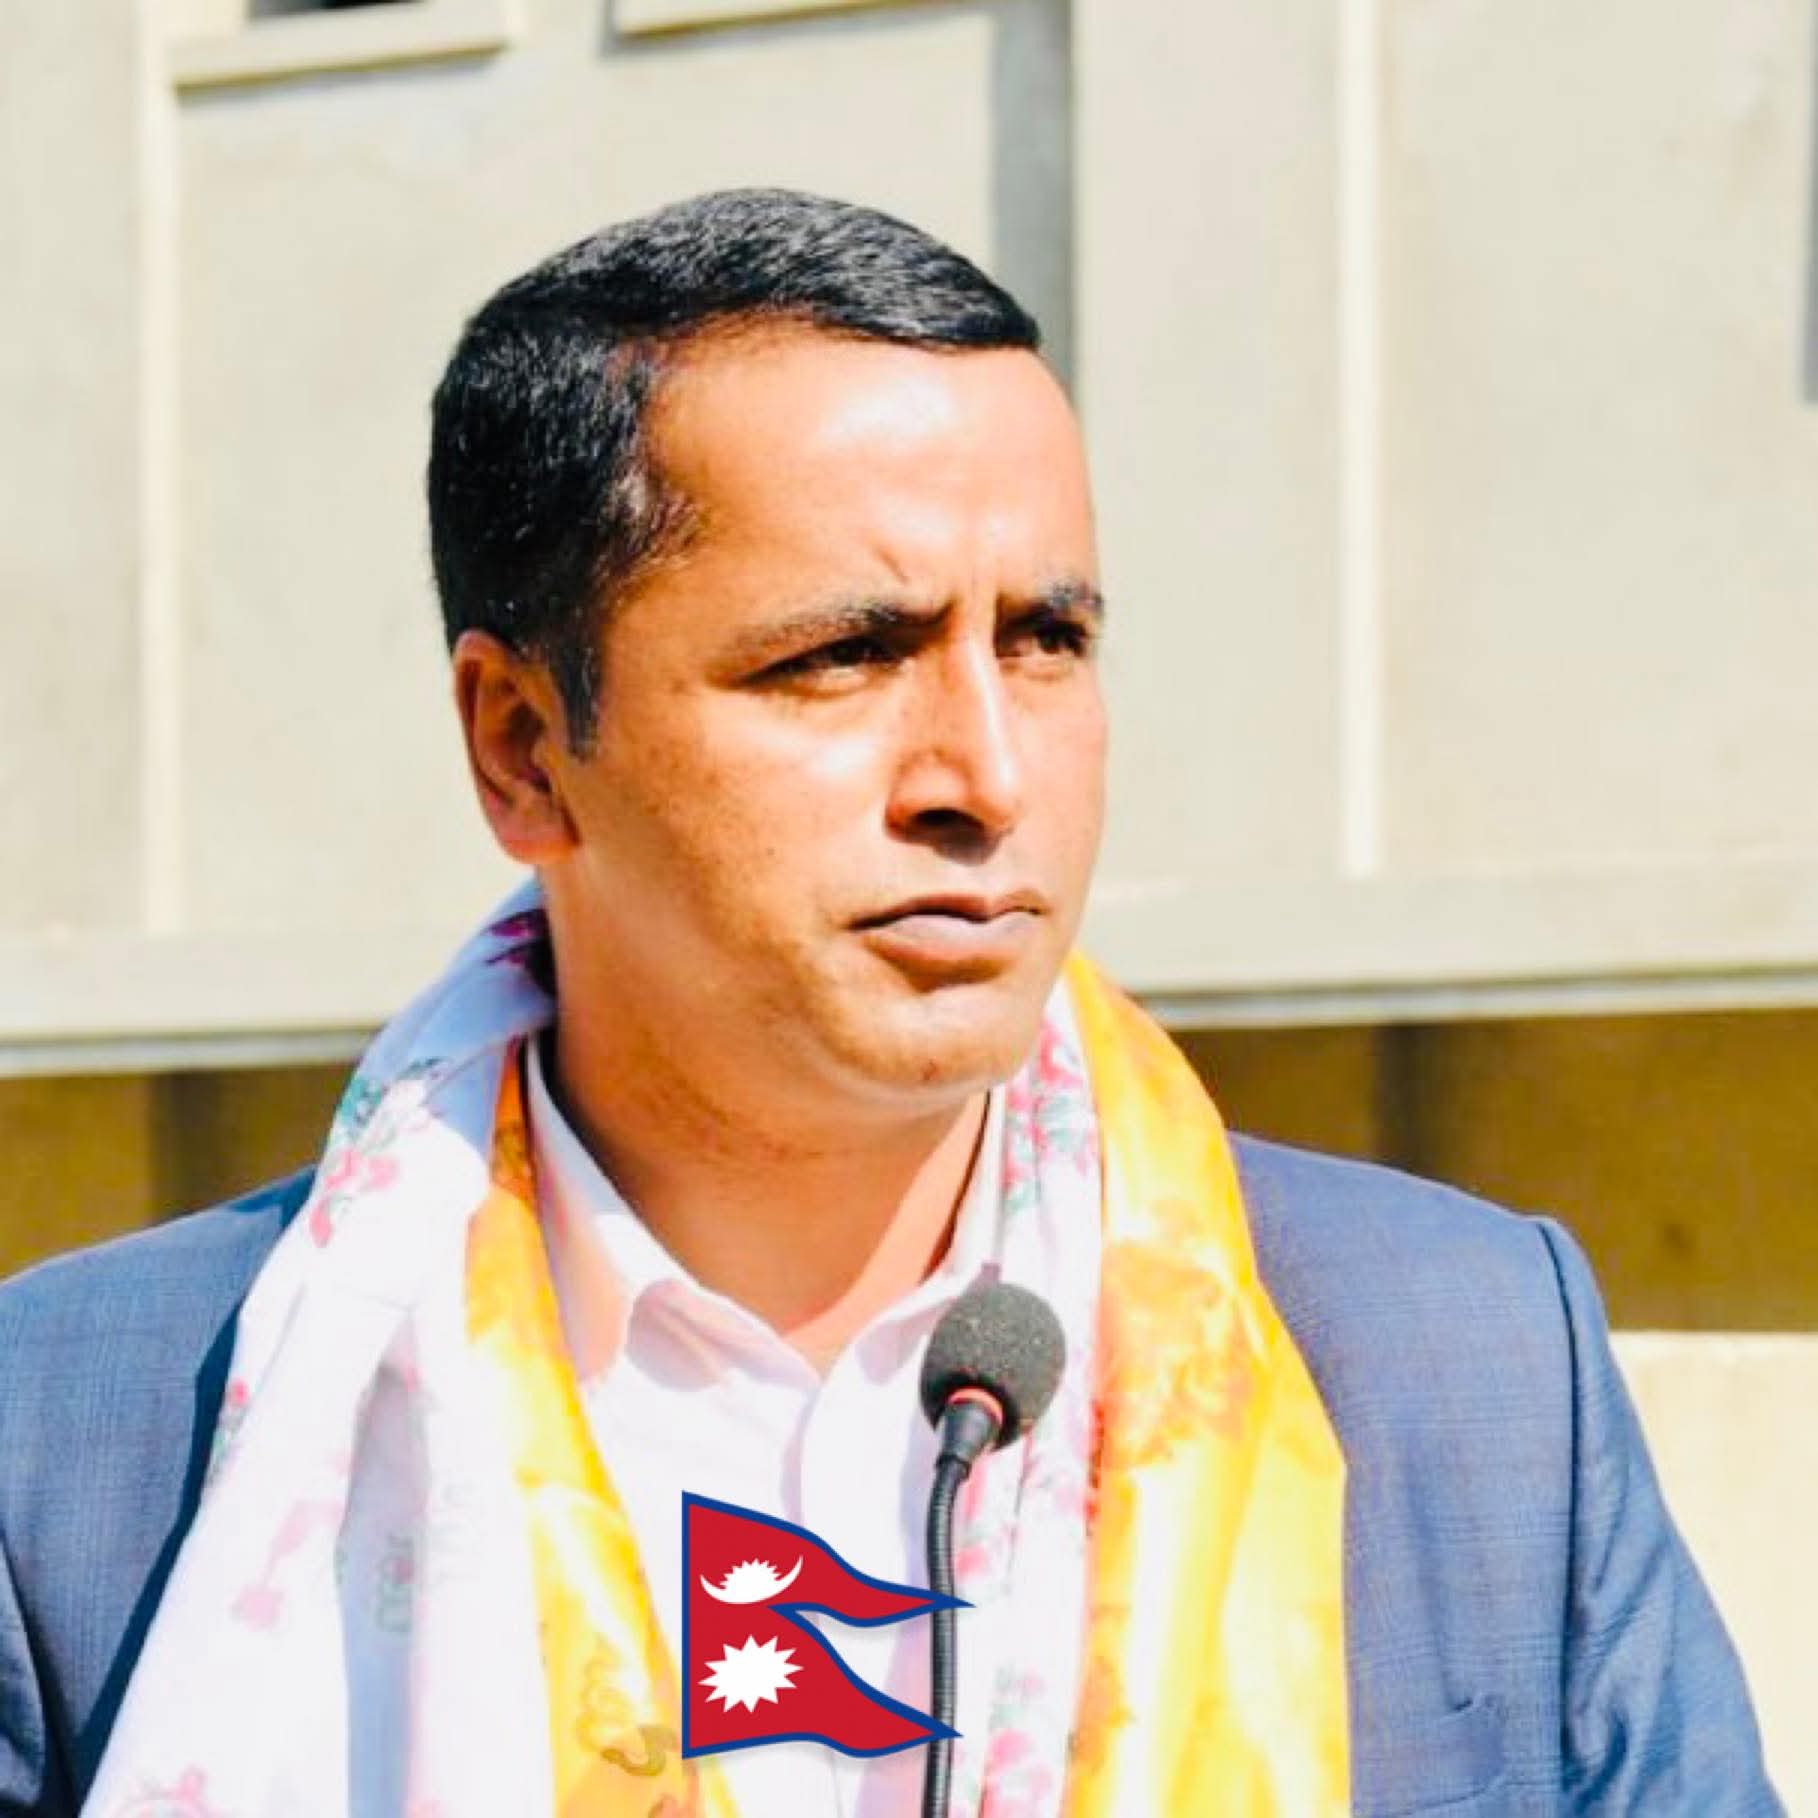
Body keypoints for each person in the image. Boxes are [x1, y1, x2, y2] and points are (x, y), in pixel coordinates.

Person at [0, 190, 1780, 1817]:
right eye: (843, 655)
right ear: (525, 744)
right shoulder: (80, 1446)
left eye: (1044, 639)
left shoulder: (1463, 1366)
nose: (984, 777)